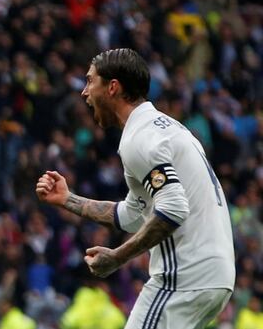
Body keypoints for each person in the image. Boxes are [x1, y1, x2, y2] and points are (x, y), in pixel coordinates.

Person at [36, 48, 235, 329]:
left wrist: (118, 257)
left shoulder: (140, 138)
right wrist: (68, 199)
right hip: (214, 275)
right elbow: (131, 214)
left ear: (113, 87)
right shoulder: (165, 129)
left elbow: (174, 208)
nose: (84, 92)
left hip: (184, 276)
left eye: (90, 81)